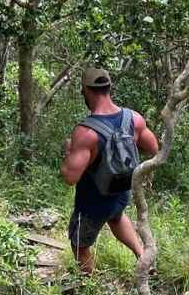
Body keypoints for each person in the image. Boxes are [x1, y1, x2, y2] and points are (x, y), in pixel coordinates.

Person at [60, 67, 159, 274]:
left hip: (92, 202)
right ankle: (142, 257)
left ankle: (89, 285)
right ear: (109, 87)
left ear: (86, 91)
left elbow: (70, 177)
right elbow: (153, 148)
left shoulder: (86, 132)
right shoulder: (134, 119)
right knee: (116, 216)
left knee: (79, 245)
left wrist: (69, 150)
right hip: (122, 191)